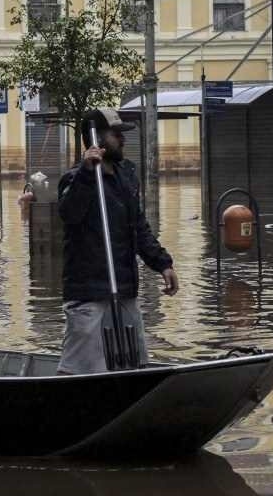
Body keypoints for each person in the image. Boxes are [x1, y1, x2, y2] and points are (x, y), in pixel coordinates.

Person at [56, 107, 179, 375]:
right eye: (116, 135)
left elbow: (139, 228)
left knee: (131, 364)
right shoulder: (75, 179)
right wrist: (88, 174)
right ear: (97, 139)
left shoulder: (126, 177)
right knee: (77, 369)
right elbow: (69, 214)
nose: (123, 140)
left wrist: (163, 264)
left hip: (123, 289)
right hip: (88, 293)